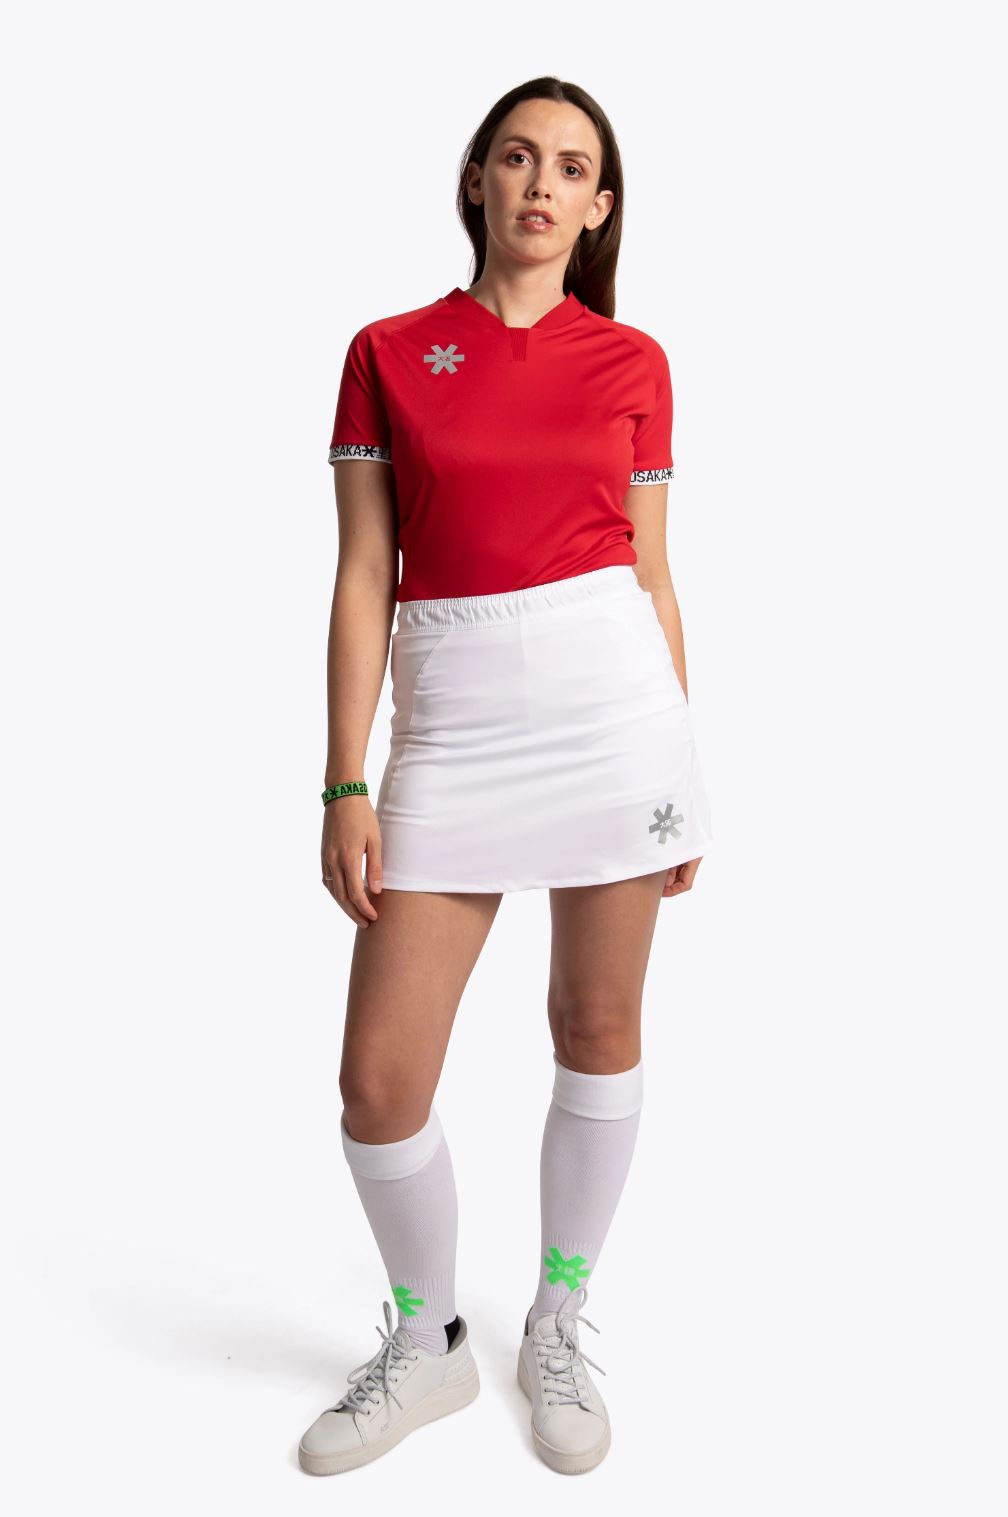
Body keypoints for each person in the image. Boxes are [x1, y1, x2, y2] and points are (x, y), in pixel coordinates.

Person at [299, 76, 715, 1478]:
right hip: (454, 729)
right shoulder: (385, 352)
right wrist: (343, 780)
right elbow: (365, 570)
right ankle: (427, 1338)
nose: (542, 183)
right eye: (519, 157)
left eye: (572, 167)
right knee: (378, 1081)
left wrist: (682, 758)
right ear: (476, 177)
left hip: (615, 722)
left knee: (596, 1022)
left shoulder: (635, 362)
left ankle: (557, 1317)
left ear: (600, 206)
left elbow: (650, 570)